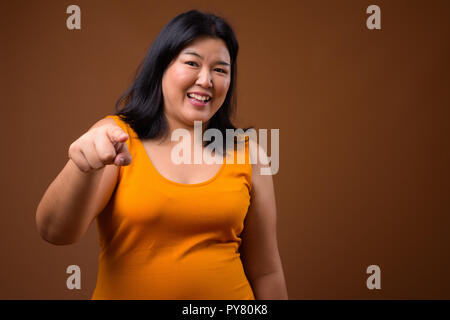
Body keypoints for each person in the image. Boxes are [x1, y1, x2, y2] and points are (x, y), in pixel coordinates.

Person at [36, 10, 288, 300]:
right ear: (161, 68)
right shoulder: (116, 138)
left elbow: (266, 271)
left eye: (220, 70)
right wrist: (83, 168)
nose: (206, 80)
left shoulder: (248, 152)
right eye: (192, 63)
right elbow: (55, 232)